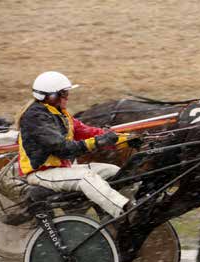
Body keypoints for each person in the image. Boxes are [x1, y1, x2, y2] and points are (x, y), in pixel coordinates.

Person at [17, 71, 136, 218]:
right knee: (85, 177)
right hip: (41, 173)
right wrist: (97, 143)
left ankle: (134, 205)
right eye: (65, 93)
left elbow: (88, 132)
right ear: (51, 96)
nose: (68, 97)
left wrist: (126, 140)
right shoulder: (35, 117)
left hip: (62, 170)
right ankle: (125, 211)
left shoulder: (61, 114)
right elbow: (63, 148)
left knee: (115, 171)